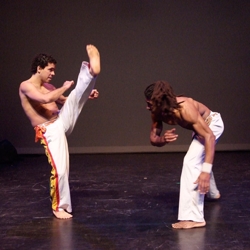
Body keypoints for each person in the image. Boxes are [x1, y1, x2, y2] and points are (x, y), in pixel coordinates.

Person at [19, 44, 101, 219]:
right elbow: (45, 99)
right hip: (49, 129)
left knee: (76, 96)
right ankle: (59, 207)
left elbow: (65, 100)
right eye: (50, 70)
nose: (53, 73)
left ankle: (91, 73)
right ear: (39, 68)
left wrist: (86, 94)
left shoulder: (49, 86)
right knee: (60, 170)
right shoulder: (25, 86)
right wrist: (64, 87)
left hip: (61, 120)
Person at [144, 80, 224, 229]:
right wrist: (163, 139)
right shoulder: (156, 113)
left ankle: (194, 218)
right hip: (201, 131)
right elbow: (153, 139)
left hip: (212, 125)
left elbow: (209, 137)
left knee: (191, 161)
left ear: (160, 102)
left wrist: (205, 172)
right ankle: (213, 193)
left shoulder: (185, 108)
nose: (147, 107)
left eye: (150, 103)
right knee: (198, 157)